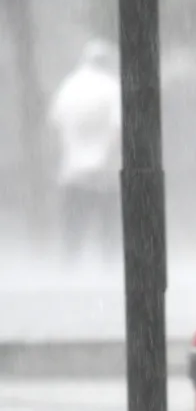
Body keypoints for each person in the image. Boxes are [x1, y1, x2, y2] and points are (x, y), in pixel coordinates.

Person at [47, 39, 123, 265]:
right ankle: (109, 266)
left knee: (74, 223)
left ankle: (70, 265)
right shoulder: (112, 87)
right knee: (108, 224)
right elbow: (118, 128)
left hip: (72, 169)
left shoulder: (68, 86)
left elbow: (54, 123)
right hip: (104, 169)